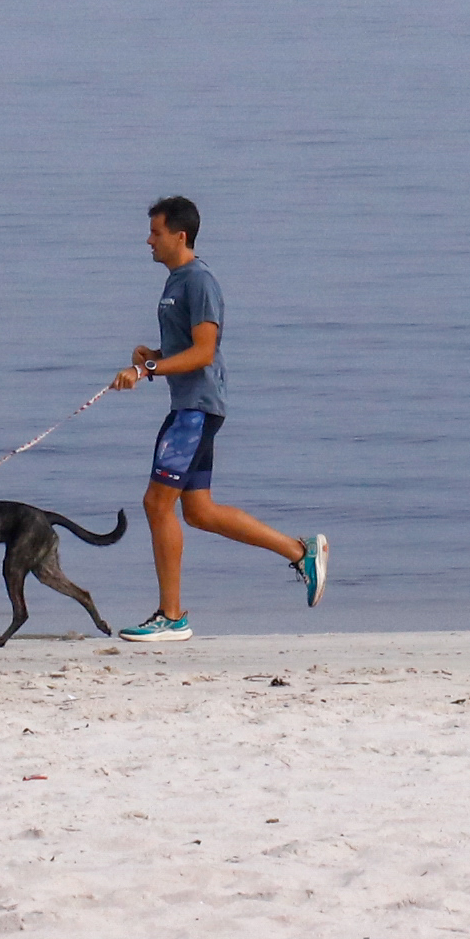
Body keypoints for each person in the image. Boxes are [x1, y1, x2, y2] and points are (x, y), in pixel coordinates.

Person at [106, 194, 325, 642]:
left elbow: (206, 352)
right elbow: (188, 351)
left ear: (179, 236)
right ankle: (298, 551)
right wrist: (156, 356)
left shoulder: (199, 281)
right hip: (191, 406)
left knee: (156, 503)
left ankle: (172, 616)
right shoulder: (175, 282)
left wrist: (144, 369)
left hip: (196, 409)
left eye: (155, 232)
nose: (148, 240)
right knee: (200, 511)